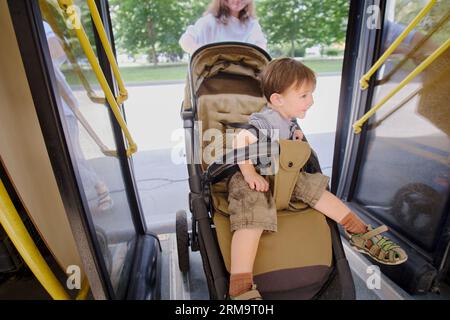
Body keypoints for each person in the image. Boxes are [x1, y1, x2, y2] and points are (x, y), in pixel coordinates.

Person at [226, 58, 408, 300]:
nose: (311, 101)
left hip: (285, 176)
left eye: (310, 94)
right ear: (277, 99)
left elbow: (288, 143)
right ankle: (240, 285)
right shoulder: (265, 121)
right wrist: (249, 173)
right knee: (253, 216)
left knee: (317, 189)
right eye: (303, 95)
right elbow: (240, 140)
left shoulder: (288, 122)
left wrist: (295, 135)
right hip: (256, 177)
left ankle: (360, 232)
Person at [43, 21, 113, 212]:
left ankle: (100, 188)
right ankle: (98, 190)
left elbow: (57, 49)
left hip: (61, 110)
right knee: (74, 158)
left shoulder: (37, 25)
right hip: (57, 109)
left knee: (69, 158)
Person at [179, 0, 267, 54]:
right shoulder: (209, 21)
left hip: (243, 80)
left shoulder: (252, 25)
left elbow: (261, 50)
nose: (237, 1)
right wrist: (205, 54)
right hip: (211, 79)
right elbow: (185, 41)